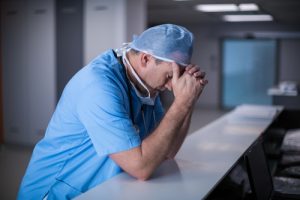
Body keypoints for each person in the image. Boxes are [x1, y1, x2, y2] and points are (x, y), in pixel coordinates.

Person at [18, 24, 208, 199]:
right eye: (169, 76)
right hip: (56, 192)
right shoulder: (98, 86)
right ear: (145, 59)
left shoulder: (147, 88)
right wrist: (182, 103)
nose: (170, 86)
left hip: (98, 189)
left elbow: (167, 152)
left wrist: (188, 101)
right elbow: (141, 167)